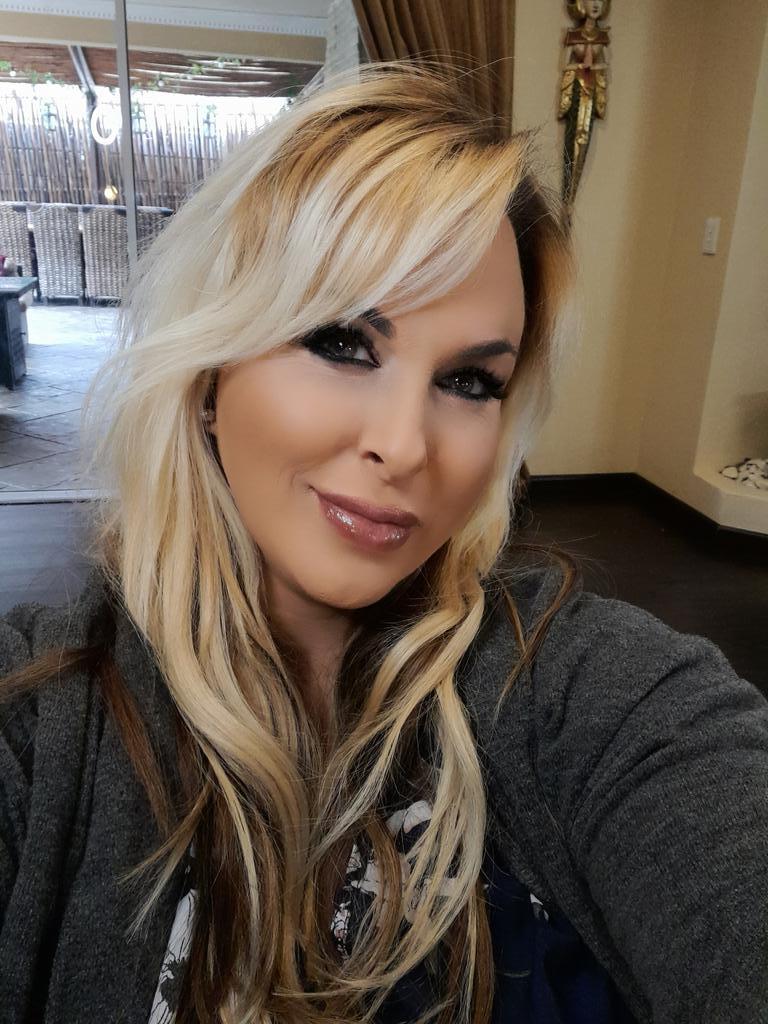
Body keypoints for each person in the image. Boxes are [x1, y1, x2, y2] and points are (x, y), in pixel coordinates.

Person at [0, 61, 766, 1024]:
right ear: (208, 373)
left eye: (470, 382)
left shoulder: (587, 691)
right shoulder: (38, 722)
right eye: (341, 342)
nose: (405, 447)